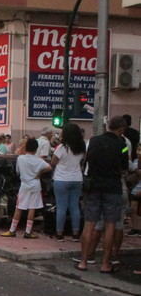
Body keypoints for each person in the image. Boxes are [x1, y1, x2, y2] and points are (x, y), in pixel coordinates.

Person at [75, 116, 129, 273]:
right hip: (113, 187)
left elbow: (87, 161)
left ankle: (83, 261)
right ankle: (105, 263)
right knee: (110, 225)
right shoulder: (122, 144)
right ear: (121, 129)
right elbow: (124, 167)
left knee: (89, 224)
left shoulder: (93, 141)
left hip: (94, 186)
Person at [1, 138, 52, 238]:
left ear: (26, 147)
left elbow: (18, 172)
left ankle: (12, 230)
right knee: (32, 208)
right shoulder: (39, 160)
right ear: (36, 149)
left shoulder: (20, 159)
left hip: (24, 185)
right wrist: (39, 173)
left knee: (19, 207)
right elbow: (49, 167)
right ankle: (28, 232)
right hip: (35, 185)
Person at [50, 123, 85, 241]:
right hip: (77, 179)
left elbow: (53, 162)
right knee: (75, 206)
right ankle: (76, 233)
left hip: (61, 179)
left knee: (61, 207)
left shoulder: (62, 147)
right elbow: (82, 162)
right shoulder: (81, 147)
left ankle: (59, 233)